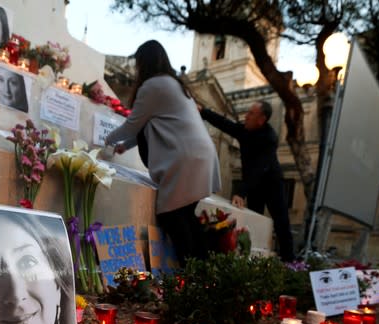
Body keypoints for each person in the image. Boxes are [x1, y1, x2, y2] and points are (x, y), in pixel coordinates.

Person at [105, 40, 220, 264]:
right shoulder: (174, 84)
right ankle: (205, 273)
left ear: (143, 63)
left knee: (171, 216)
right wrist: (125, 146)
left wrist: (106, 141)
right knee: (185, 216)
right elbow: (151, 126)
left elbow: (132, 125)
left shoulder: (152, 86)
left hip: (186, 159)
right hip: (200, 156)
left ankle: (191, 273)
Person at [199, 101, 295, 262]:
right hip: (254, 184)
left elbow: (259, 168)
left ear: (261, 119)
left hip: (271, 184)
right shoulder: (245, 130)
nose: (246, 116)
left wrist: (241, 192)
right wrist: (203, 111)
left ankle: (291, 262)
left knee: (281, 222)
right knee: (254, 219)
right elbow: (225, 124)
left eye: (251, 114)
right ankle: (249, 257)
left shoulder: (269, 138)